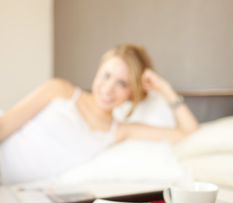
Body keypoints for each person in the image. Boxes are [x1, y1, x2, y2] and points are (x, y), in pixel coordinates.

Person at [0, 44, 198, 185]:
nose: (108, 88)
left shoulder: (119, 130)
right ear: (97, 71)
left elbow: (190, 133)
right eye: (106, 75)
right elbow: (5, 125)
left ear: (132, 92)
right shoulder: (59, 90)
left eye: (122, 83)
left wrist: (164, 88)